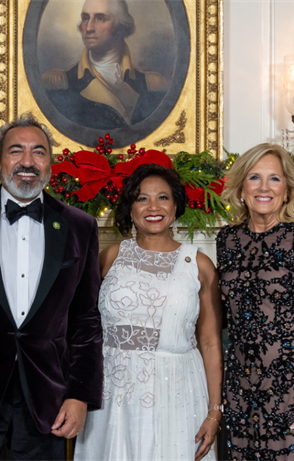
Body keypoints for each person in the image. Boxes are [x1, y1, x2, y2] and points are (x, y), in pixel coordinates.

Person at [0, 113, 103, 460]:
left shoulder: (81, 226)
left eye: (39, 152)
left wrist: (80, 396)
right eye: (16, 151)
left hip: (47, 400)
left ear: (51, 162)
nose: (27, 162)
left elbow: (86, 320)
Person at [74, 164, 223, 460]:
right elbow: (83, 328)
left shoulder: (199, 264)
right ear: (130, 208)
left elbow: (210, 342)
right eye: (142, 198)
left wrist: (214, 411)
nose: (153, 207)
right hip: (112, 394)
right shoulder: (109, 257)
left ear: (176, 205)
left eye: (163, 198)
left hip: (178, 391)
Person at [217, 143, 294, 460]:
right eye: (254, 177)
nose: (264, 188)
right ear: (241, 188)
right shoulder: (227, 241)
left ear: (287, 190)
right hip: (241, 400)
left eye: (274, 179)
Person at [42, 0, 168, 129]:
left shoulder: (151, 85)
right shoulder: (60, 83)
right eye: (85, 18)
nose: (88, 28)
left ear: (121, 26)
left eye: (100, 18)